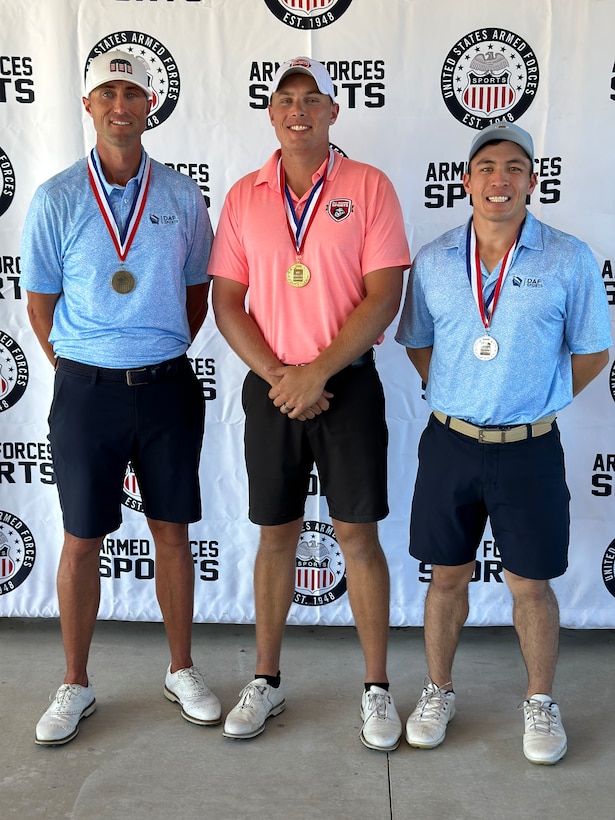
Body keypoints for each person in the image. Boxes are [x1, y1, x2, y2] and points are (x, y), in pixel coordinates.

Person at [209, 57, 410, 750]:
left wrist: (316, 371)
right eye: (284, 99)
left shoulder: (368, 186)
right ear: (270, 113)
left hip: (346, 384)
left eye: (311, 99)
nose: (297, 110)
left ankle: (376, 689)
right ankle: (265, 678)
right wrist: (280, 374)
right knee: (275, 536)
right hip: (272, 390)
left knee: (356, 538)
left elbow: (384, 293)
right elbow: (226, 301)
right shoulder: (243, 196)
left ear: (332, 111)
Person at [395, 121, 612, 765]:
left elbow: (592, 350)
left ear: (533, 181)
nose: (501, 179)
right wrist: (458, 389)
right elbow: (418, 342)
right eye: (487, 167)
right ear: (466, 181)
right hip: (451, 443)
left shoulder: (568, 257)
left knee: (531, 587)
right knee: (445, 580)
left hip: (529, 448)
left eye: (515, 168)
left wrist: (535, 399)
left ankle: (540, 702)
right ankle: (438, 690)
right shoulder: (434, 260)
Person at [20, 51, 220, 746]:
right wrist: (85, 366)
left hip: (165, 387)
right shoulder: (56, 198)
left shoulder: (182, 196)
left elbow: (198, 291)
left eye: (132, 93)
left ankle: (181, 668)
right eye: (107, 92)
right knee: (81, 540)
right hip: (87, 393)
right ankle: (75, 682)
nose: (120, 104)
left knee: (172, 533)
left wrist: (151, 349)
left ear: (150, 105)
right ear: (88, 105)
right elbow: (39, 305)